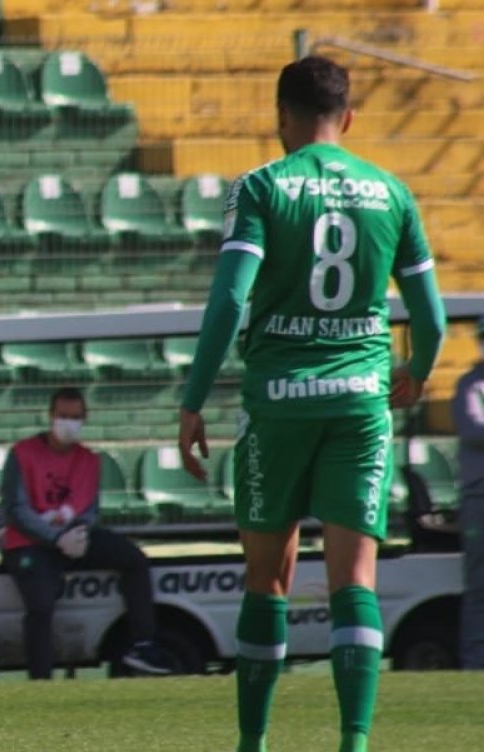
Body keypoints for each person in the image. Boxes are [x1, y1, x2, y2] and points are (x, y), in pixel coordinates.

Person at [177, 56, 446, 752]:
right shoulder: (392, 192)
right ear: (348, 116)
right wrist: (416, 371)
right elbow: (434, 319)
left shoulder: (262, 187)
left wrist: (194, 399)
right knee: (352, 578)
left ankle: (253, 743)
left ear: (280, 119)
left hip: (279, 403)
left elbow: (230, 299)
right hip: (361, 401)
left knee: (268, 577)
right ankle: (353, 742)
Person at [0, 387, 171, 680]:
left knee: (134, 560)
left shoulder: (88, 459)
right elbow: (17, 510)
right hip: (29, 544)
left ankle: (143, 645)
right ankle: (40, 679)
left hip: (73, 539)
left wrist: (79, 533)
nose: (69, 423)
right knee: (40, 603)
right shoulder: (22, 453)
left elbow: (89, 508)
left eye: (76, 417)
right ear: (51, 416)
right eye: (63, 416)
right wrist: (55, 538)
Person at [453, 323, 484, 670]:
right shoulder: (471, 384)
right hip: (480, 496)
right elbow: (474, 429)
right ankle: (476, 662)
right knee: (479, 587)